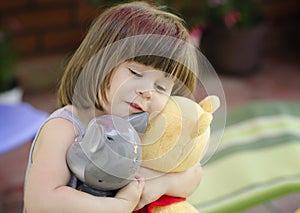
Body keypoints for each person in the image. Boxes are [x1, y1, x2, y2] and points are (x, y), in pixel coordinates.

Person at [23, 1, 203, 213]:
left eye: (161, 86)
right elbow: (41, 201)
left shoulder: (147, 125)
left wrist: (161, 184)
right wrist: (118, 206)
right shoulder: (66, 127)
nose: (148, 92)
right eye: (136, 73)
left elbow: (194, 173)